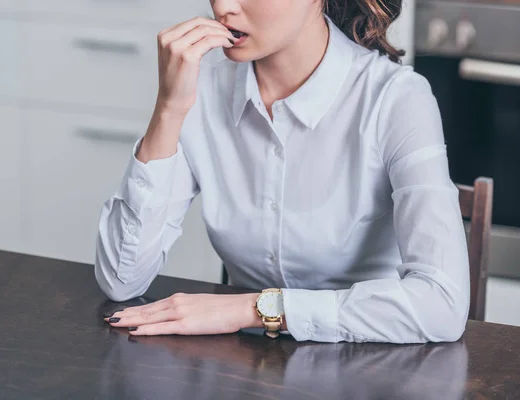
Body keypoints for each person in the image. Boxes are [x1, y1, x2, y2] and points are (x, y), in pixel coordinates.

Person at [95, 0, 470, 343]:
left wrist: (253, 309)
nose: (223, 7)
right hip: (241, 369)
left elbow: (441, 305)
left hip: (374, 363)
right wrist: (169, 108)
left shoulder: (396, 99)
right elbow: (120, 280)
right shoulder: (201, 85)